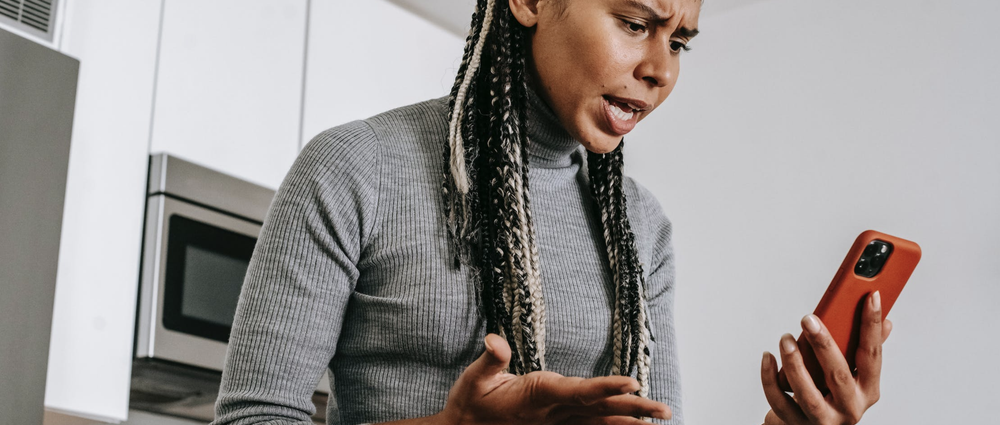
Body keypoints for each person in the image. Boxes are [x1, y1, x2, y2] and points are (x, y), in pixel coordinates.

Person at [212, 1, 890, 424]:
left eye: (679, 41)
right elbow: (253, 417)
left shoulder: (640, 228)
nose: (661, 69)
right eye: (635, 24)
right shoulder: (353, 169)